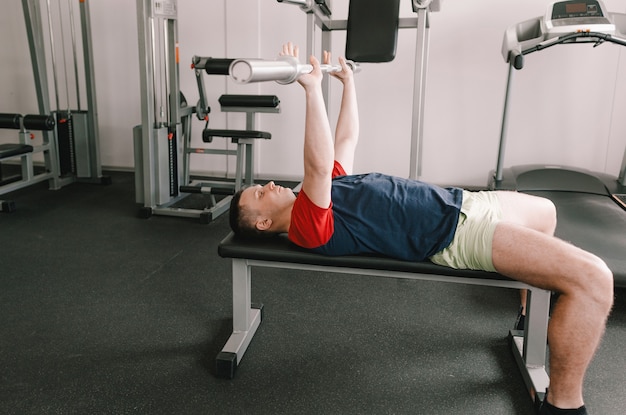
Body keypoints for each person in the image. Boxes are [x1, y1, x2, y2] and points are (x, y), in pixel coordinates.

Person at [229, 43, 614, 415]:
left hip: (463, 203)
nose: (267, 185)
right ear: (264, 222)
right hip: (456, 235)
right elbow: (316, 163)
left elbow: (344, 140)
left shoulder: (319, 195)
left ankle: (529, 321)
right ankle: (563, 405)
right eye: (259, 194)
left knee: (546, 212)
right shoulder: (307, 225)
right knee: (594, 279)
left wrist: (348, 85)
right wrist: (312, 91)